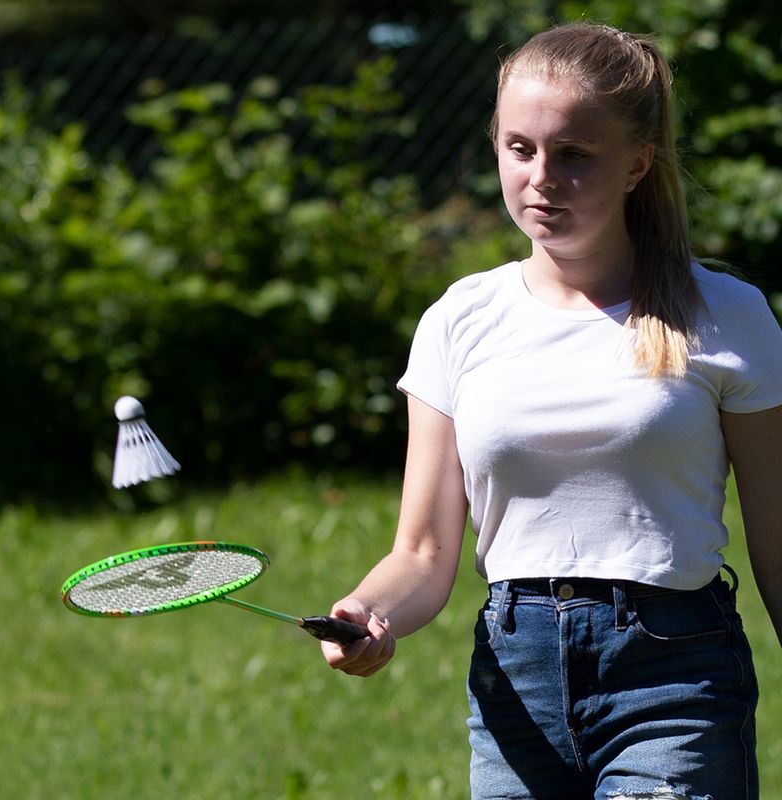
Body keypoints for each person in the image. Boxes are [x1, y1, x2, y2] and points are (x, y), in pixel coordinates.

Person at [321, 21, 782, 800]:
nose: (541, 178)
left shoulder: (727, 316)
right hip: (516, 685)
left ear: (637, 162)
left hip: (674, 679)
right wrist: (368, 610)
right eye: (520, 149)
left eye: (574, 154)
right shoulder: (459, 320)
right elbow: (423, 554)